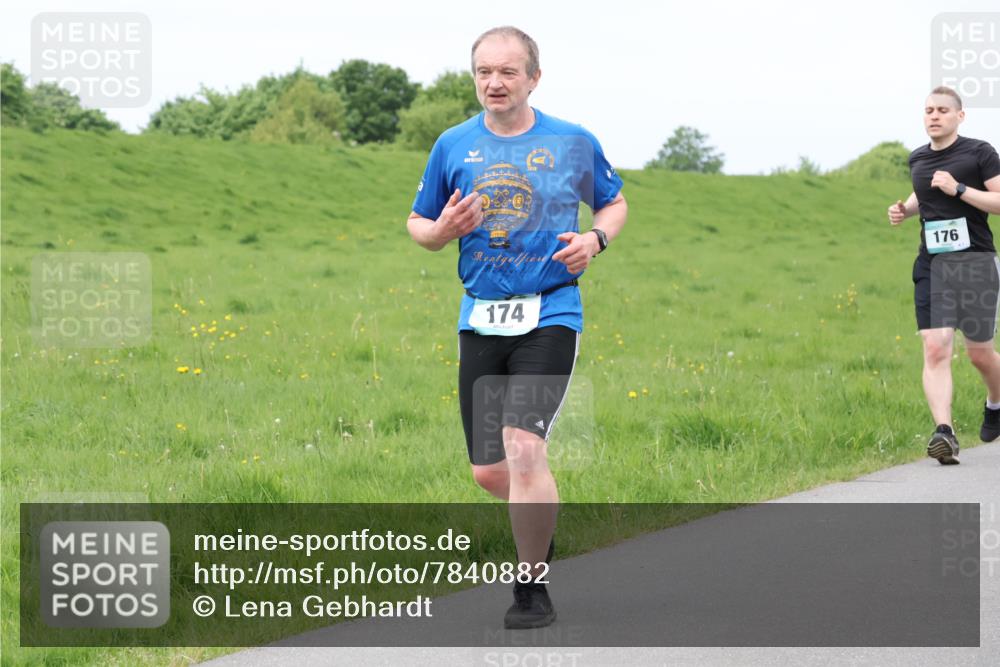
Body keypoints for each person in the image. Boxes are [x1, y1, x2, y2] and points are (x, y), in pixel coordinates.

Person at [406, 25, 627, 628]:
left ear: (534, 77)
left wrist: (595, 239)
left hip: (550, 311)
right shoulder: (453, 144)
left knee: (525, 449)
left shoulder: (572, 141)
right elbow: (418, 223)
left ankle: (530, 588)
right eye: (484, 71)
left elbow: (613, 202)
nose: (494, 82)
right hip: (481, 315)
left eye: (507, 71)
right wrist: (440, 232)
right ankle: (539, 512)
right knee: (489, 470)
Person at [888, 86, 1000, 464]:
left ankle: (996, 402)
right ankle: (944, 433)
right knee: (936, 346)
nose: (934, 116)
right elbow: (923, 193)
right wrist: (905, 210)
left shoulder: (980, 153)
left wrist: (960, 188)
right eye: (928, 110)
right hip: (933, 266)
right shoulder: (918, 158)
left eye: (942, 110)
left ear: (959, 116)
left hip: (976, 263)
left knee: (980, 354)